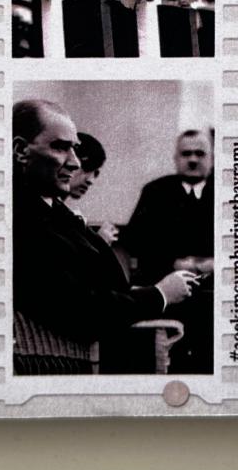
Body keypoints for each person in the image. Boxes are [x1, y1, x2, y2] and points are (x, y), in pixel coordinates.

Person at [11, 99, 198, 374]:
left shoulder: (53, 211)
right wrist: (160, 294)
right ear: (20, 151)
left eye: (74, 149)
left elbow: (109, 285)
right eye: (60, 147)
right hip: (58, 367)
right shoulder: (23, 219)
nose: (75, 163)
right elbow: (85, 312)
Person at [120, 129, 216, 374]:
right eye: (186, 154)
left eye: (200, 154)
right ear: (175, 158)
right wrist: (174, 263)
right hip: (167, 290)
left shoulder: (228, 192)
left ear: (212, 158)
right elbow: (135, 242)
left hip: (216, 292)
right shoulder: (155, 192)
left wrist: (215, 263)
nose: (192, 159)